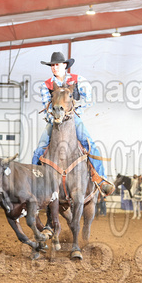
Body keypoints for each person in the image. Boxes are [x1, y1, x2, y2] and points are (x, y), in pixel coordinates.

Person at [31, 52, 114, 196]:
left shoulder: (78, 80)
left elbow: (89, 99)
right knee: (40, 148)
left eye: (57, 64)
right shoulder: (46, 85)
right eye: (52, 65)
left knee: (89, 144)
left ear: (65, 65)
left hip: (73, 118)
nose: (54, 67)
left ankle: (101, 179)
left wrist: (75, 113)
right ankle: (33, 182)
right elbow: (46, 106)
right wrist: (54, 118)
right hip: (55, 119)